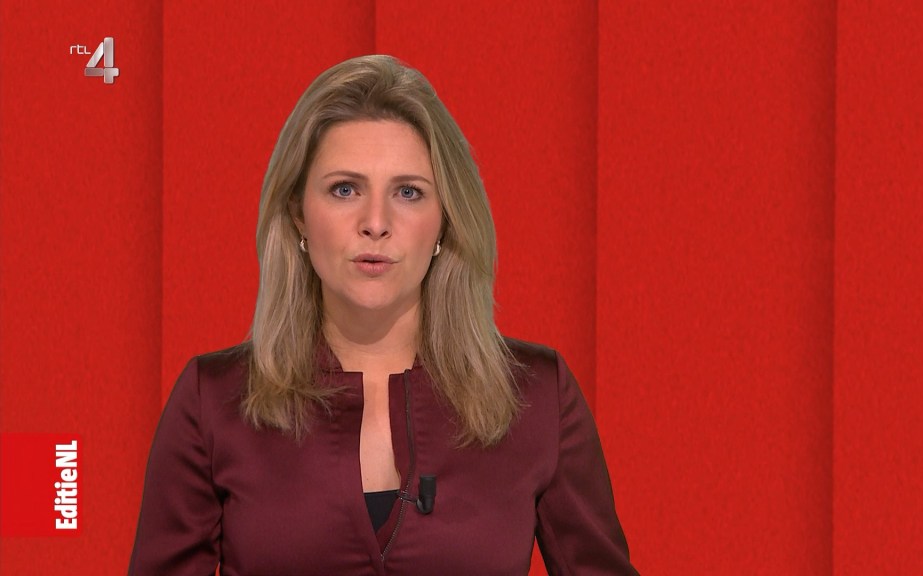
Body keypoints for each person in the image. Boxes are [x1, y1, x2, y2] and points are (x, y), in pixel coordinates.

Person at [128, 54, 637, 575]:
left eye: (408, 192)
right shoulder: (213, 402)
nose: (376, 222)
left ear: (445, 220)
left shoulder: (538, 397)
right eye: (345, 189)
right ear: (298, 212)